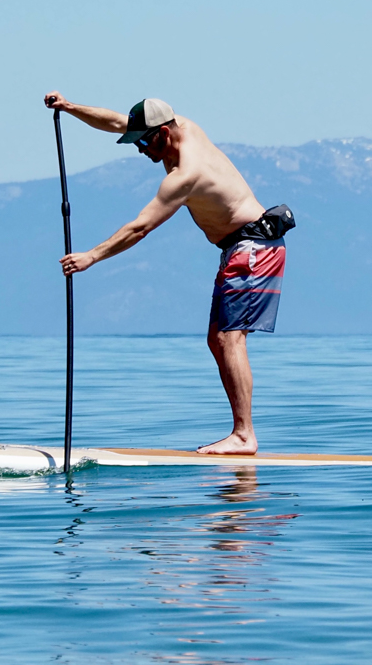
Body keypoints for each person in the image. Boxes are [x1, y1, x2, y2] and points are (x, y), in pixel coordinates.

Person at [44, 92, 287, 455]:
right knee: (218, 339)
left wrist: (91, 257)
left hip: (252, 249)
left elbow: (140, 228)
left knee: (228, 340)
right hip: (242, 248)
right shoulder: (180, 125)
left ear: (164, 133)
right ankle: (242, 433)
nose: (140, 150)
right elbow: (114, 121)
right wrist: (71, 107)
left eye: (144, 141)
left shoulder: (185, 175)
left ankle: (244, 435)